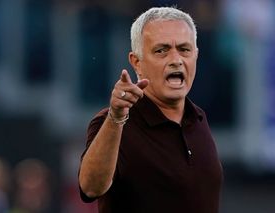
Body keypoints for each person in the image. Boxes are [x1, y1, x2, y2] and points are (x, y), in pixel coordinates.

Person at [78, 6, 223, 213]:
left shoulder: (199, 118)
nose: (176, 60)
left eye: (184, 49)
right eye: (161, 50)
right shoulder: (113, 123)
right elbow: (90, 188)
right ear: (136, 62)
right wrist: (116, 117)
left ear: (196, 56)